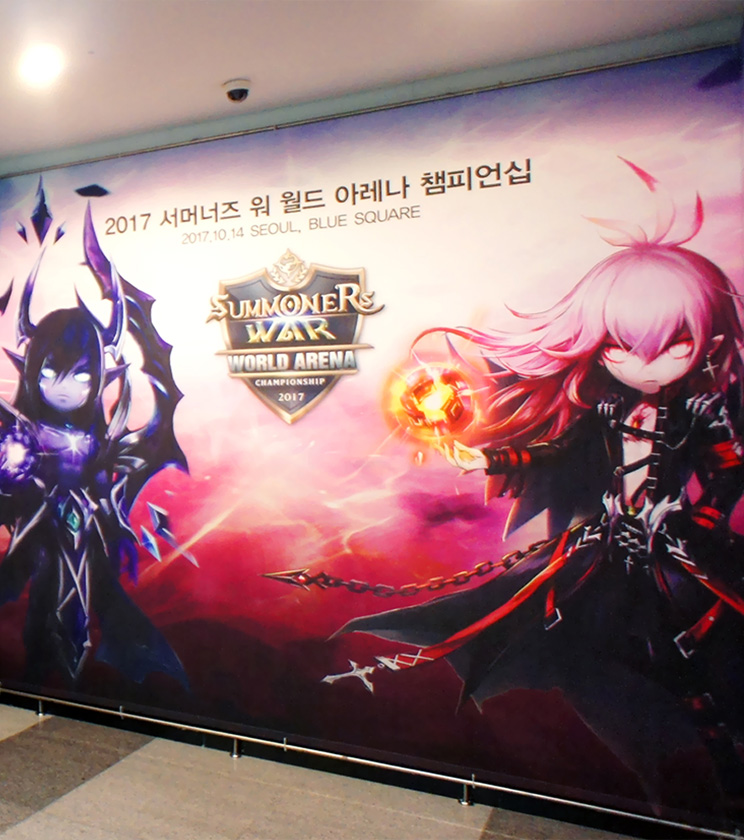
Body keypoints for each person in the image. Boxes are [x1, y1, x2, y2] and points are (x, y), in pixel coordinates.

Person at [285, 160, 744, 806]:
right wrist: (492, 462)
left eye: (673, 344)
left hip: (679, 559)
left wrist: (690, 524)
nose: (642, 363)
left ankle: (720, 781)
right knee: (571, 643)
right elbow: (555, 454)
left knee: (700, 669)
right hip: (608, 555)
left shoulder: (701, 409)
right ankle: (656, 772)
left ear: (707, 340)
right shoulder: (609, 407)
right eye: (620, 346)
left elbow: (728, 475)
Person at [0, 185, 190, 687]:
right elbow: (4, 485)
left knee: (113, 607)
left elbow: (107, 481)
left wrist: (110, 514)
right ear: (32, 371)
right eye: (51, 372)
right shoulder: (24, 433)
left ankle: (135, 674)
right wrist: (12, 473)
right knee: (18, 610)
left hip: (91, 535)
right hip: (37, 537)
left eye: (81, 376)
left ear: (99, 380)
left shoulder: (103, 439)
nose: (65, 387)